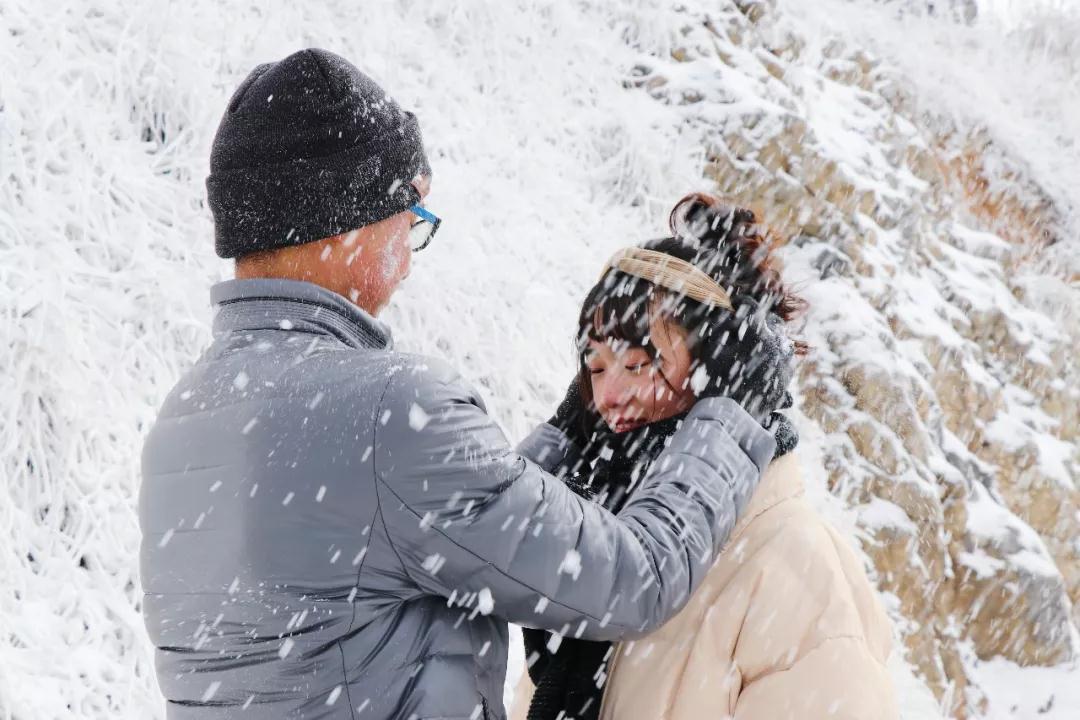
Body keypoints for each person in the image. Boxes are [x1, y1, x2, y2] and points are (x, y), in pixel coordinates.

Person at [138, 51, 795, 719]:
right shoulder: (387, 411)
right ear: (351, 223)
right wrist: (733, 411)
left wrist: (565, 438)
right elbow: (632, 580)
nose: (408, 260)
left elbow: (424, 529)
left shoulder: (187, 416)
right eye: (412, 221)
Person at [513, 193, 898, 720]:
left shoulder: (793, 567)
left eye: (637, 364)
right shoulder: (594, 542)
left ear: (717, 377)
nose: (608, 397)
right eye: (595, 368)